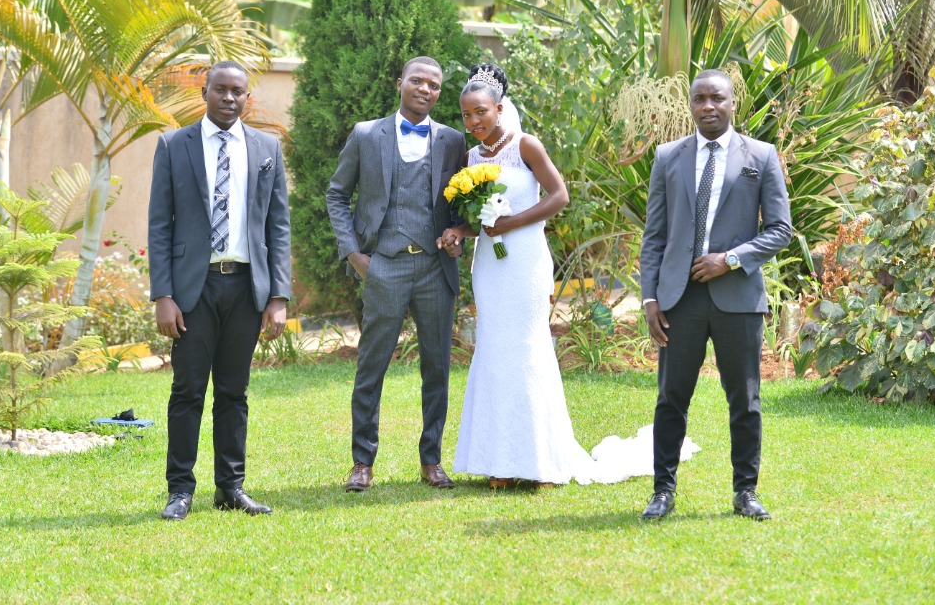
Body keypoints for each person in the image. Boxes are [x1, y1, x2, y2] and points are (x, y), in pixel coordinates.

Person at [445, 63, 699, 487]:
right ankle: (500, 462)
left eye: (481, 112)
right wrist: (460, 231)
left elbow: (559, 195)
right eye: (466, 115)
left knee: (527, 349)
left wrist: (513, 222)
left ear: (500, 108)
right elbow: (479, 220)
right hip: (490, 265)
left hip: (524, 261)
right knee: (493, 350)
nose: (473, 122)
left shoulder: (525, 145)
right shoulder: (470, 159)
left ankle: (541, 462)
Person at [639, 69, 792, 521]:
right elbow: (654, 235)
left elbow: (780, 230)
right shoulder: (668, 156)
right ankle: (662, 492)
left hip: (738, 298)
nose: (708, 106)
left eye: (717, 98)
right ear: (690, 104)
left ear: (732, 103)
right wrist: (650, 298)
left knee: (744, 400)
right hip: (679, 299)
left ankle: (746, 491)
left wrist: (730, 259)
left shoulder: (760, 156)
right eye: (700, 98)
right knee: (671, 398)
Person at [148, 61, 291, 521]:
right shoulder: (174, 145)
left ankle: (231, 487)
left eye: (238, 92)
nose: (229, 98)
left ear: (247, 97)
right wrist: (163, 294)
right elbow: (159, 224)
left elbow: (278, 225)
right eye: (221, 90)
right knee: (187, 390)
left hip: (247, 286)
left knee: (234, 391)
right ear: (205, 93)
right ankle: (180, 490)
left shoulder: (266, 148)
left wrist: (278, 295)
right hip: (193, 289)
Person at [326, 56, 467, 492]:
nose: (426, 89)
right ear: (400, 82)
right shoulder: (367, 134)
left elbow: (463, 206)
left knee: (437, 367)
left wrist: (459, 234)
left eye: (434, 85)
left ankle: (432, 460)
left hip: (434, 268)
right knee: (371, 366)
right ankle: (362, 462)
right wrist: (354, 254)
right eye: (417, 81)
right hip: (383, 265)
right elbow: (337, 194)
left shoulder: (453, 140)